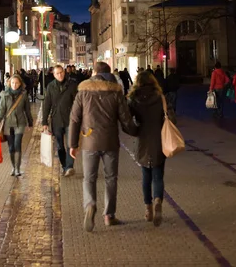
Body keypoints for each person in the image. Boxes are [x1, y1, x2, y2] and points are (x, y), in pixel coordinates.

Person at [69, 61, 138, 232]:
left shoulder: (83, 91)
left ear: (94, 73)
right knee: (110, 178)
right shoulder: (116, 92)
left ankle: (90, 205)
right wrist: (137, 132)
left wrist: (72, 144)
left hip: (89, 141)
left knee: (89, 178)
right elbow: (125, 119)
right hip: (110, 141)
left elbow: (74, 119)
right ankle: (109, 215)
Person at [128, 70, 175, 227]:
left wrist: (134, 130)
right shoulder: (160, 97)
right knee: (158, 175)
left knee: (145, 175)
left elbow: (128, 120)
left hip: (143, 141)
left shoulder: (134, 99)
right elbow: (171, 117)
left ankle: (148, 208)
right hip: (159, 140)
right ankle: (157, 200)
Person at [42, 65, 78, 176]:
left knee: (70, 144)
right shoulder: (51, 87)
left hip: (70, 119)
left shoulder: (72, 85)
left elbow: (77, 103)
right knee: (60, 146)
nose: (60, 75)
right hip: (56, 119)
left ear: (64, 72)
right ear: (54, 75)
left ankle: (69, 166)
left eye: (61, 72)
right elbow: (46, 104)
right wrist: (44, 121)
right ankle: (64, 165)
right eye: (57, 73)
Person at [0, 74, 33, 176]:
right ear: (9, 83)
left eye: (16, 83)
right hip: (8, 124)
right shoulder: (4, 95)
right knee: (11, 147)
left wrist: (30, 122)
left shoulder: (24, 95)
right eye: (12, 83)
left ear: (20, 83)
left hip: (20, 123)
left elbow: (27, 110)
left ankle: (17, 168)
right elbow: (1, 110)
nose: (14, 85)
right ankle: (13, 166)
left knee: (17, 145)